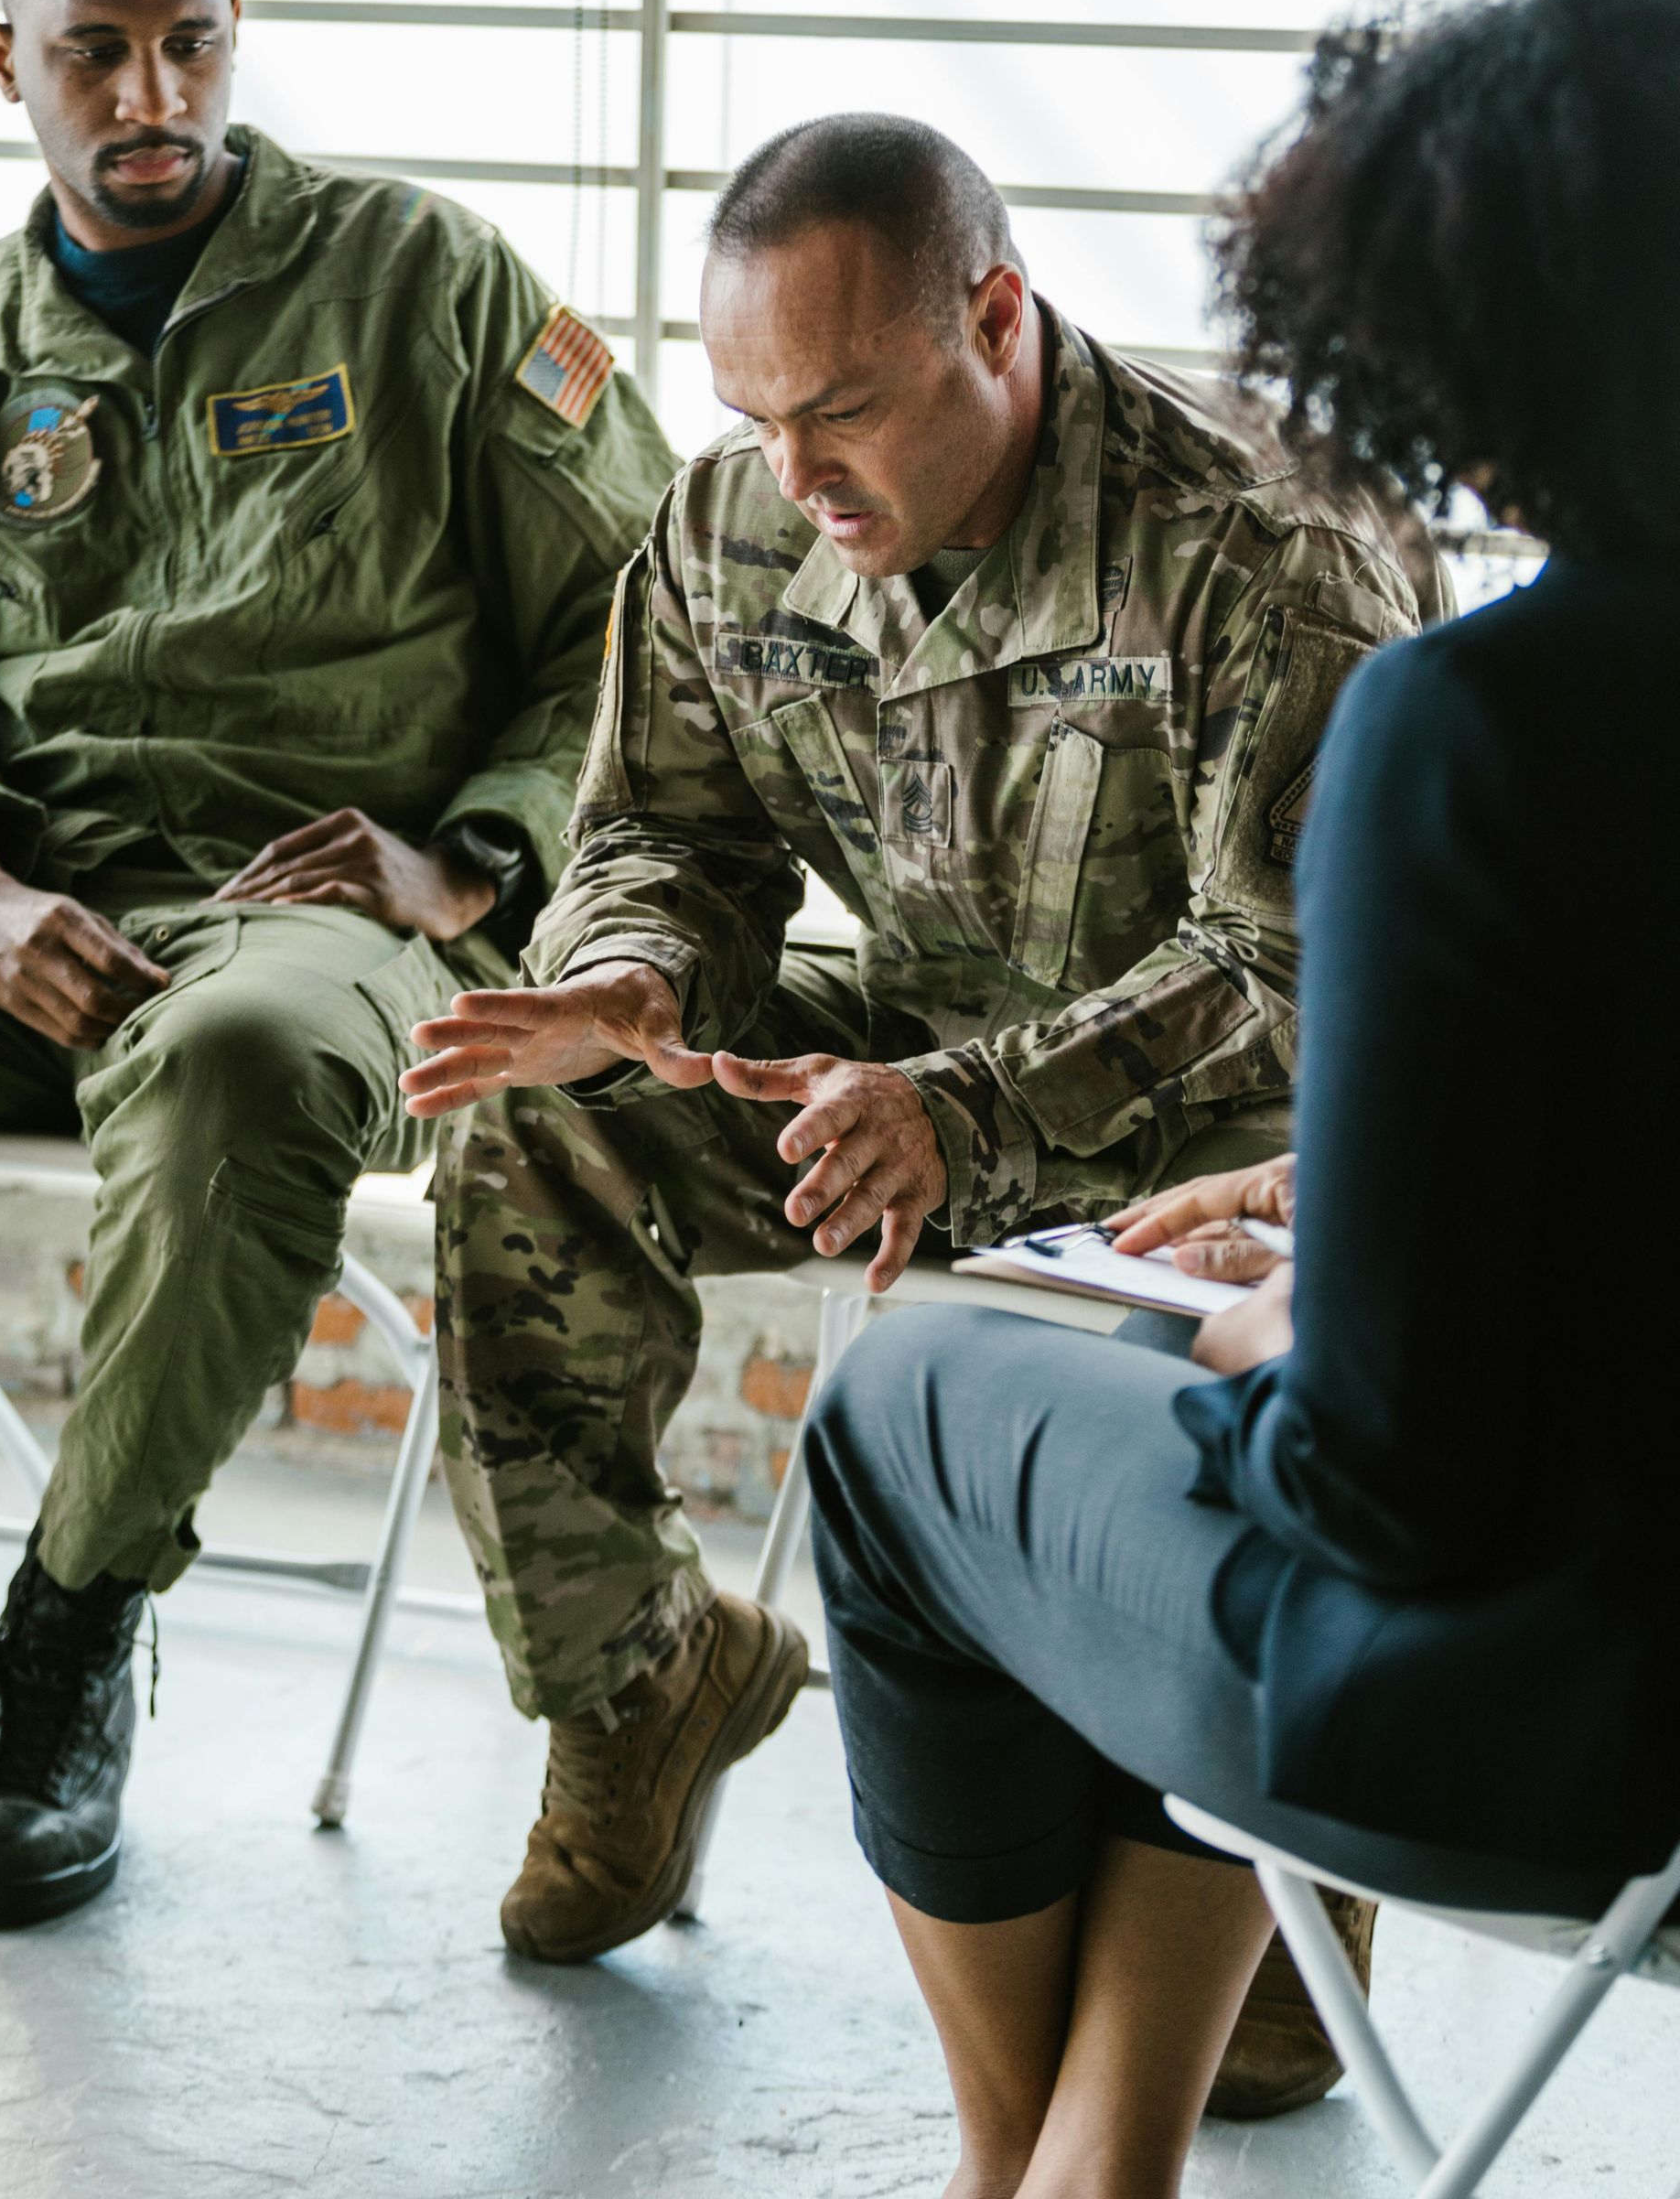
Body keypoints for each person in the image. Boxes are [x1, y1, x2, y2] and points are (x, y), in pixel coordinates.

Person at [399, 110, 1426, 2060]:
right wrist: (624, 973)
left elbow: (1301, 977)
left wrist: (959, 1116)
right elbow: (664, 834)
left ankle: (1286, 1850)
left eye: (844, 410)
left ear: (1000, 319)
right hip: (915, 1037)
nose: (793, 471)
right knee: (546, 1119)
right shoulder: (735, 517)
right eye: (755, 409)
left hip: (1234, 1116)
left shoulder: (1264, 548)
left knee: (1267, 2082)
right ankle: (635, 1692)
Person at [801, 0, 1680, 2199]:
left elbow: (1395, 1483)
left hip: (1555, 1726)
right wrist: (1383, 1184)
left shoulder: (1480, 724)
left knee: (912, 1414)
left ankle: (1049, 2168)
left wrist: (1303, 1315)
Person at [0, 0, 674, 1929]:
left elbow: (643, 615)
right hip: (29, 906)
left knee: (243, 1061)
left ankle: (65, 1643)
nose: (151, 102)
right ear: (7, 56)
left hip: (319, 913)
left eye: (189, 47)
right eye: (98, 56)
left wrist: (471, 855)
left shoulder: (426, 283)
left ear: (233, 32)